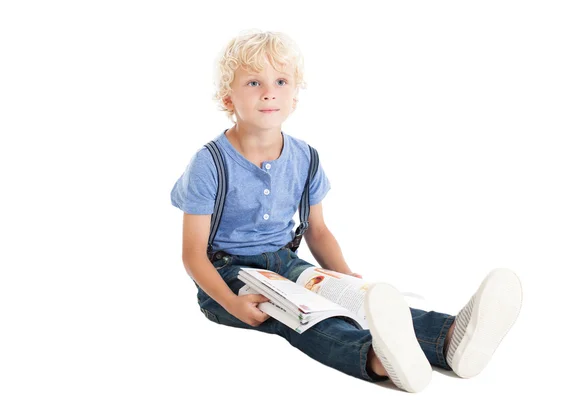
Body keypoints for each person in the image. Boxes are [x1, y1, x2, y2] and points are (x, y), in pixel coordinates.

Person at [170, 30, 523, 393]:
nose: (269, 92)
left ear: (295, 93)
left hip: (285, 262)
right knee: (300, 316)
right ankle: (377, 358)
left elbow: (317, 231)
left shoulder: (305, 158)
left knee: (354, 300)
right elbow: (193, 254)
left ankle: (450, 337)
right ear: (228, 98)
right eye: (253, 82)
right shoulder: (209, 163)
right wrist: (231, 303)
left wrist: (348, 281)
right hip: (229, 275)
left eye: (280, 81)